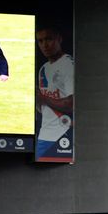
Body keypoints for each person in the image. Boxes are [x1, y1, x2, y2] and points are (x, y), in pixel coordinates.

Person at [34, 26, 73, 157]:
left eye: (48, 39)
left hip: (62, 136)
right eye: (40, 41)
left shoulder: (68, 65)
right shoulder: (43, 69)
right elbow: (43, 108)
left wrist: (43, 99)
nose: (44, 45)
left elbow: (73, 104)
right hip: (44, 135)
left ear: (59, 39)